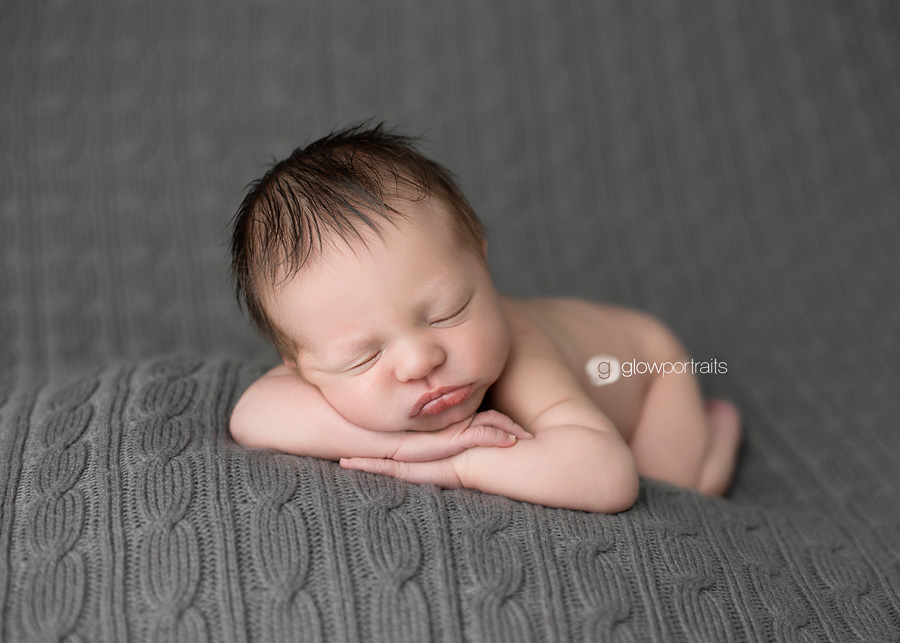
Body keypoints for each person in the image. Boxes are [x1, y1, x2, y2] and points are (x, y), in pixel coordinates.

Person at [228, 123, 742, 513]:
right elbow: (252, 415)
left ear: (482, 260)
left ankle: (718, 441)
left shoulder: (523, 354)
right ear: (299, 366)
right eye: (363, 356)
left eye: (447, 312)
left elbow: (608, 476)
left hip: (647, 367)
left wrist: (459, 462)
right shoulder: (319, 362)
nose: (419, 360)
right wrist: (407, 447)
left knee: (672, 488)